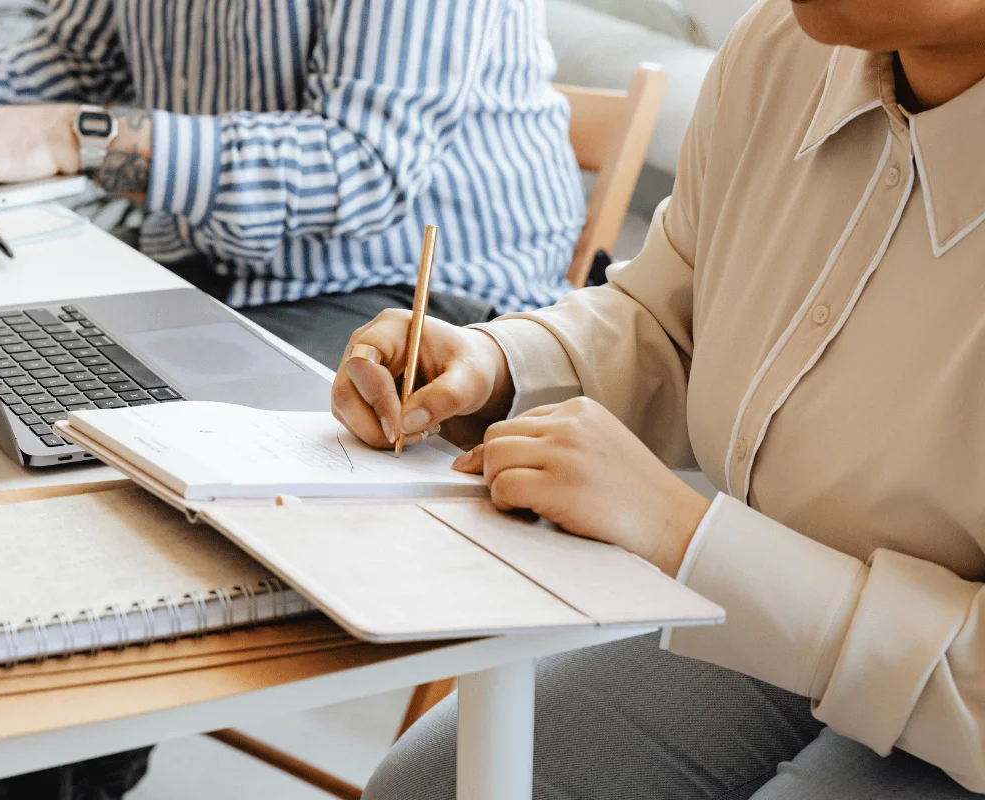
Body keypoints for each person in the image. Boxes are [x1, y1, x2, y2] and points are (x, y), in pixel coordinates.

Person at [333, 0, 985, 796]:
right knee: (434, 787)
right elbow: (672, 317)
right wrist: (500, 366)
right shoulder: (782, 49)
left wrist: (683, 536)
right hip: (771, 608)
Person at [0, 0, 583, 370]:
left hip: (421, 297)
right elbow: (79, 55)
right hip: (219, 272)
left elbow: (361, 166)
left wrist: (70, 136)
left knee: (92, 433)